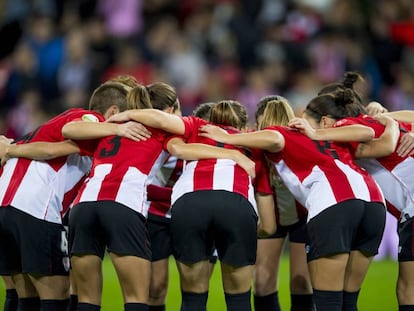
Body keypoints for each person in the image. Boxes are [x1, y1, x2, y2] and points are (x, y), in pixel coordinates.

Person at [63, 87, 258, 311]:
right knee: (137, 297)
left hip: (83, 206)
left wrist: (114, 126)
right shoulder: (163, 131)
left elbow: (69, 129)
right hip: (124, 204)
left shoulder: (110, 129)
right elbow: (179, 149)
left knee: (87, 298)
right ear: (169, 111)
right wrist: (233, 153)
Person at [199, 97, 397, 311]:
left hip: (334, 201)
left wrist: (227, 137)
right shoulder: (331, 135)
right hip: (374, 204)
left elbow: (275, 138)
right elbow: (367, 132)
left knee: (328, 301)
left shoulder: (286, 134)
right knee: (348, 301)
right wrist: (389, 121)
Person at [106, 100, 276, 311]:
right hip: (236, 204)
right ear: (242, 125)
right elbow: (276, 140)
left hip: (189, 203)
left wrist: (126, 114)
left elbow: (159, 118)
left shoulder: (196, 127)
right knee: (238, 297)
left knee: (193, 296)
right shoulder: (250, 140)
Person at [0, 80, 145, 311]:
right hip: (36, 208)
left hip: (6, 206)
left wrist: (10, 148)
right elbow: (70, 131)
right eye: (129, 119)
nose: (131, 126)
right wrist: (117, 128)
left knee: (25, 296)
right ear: (113, 112)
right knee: (55, 294)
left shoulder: (47, 131)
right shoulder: (91, 119)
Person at [293, 75, 414, 311]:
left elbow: (376, 140)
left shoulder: (348, 128)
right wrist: (387, 118)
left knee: (408, 288)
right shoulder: (374, 121)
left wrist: (315, 134)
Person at [146, 101, 215, 311]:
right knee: (156, 287)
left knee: (195, 286)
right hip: (158, 216)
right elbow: (143, 184)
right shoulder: (172, 142)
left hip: (196, 219)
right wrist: (180, 195)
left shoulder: (222, 148)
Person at [253, 96, 313, 311]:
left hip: (304, 217)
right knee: (261, 282)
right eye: (264, 126)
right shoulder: (256, 149)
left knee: (301, 282)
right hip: (272, 217)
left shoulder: (301, 143)